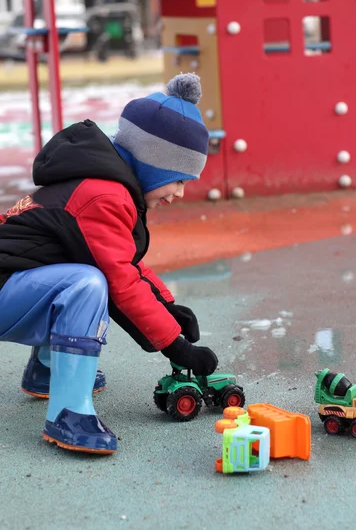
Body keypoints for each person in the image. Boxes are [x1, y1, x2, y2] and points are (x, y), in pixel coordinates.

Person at [0, 72, 218, 455]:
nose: (180, 193)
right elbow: (122, 285)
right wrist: (176, 347)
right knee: (87, 285)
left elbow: (127, 262)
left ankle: (48, 371)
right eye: (179, 180)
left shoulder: (104, 183)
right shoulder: (106, 196)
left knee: (84, 273)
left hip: (10, 282)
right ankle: (69, 415)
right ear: (156, 162)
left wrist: (167, 307)